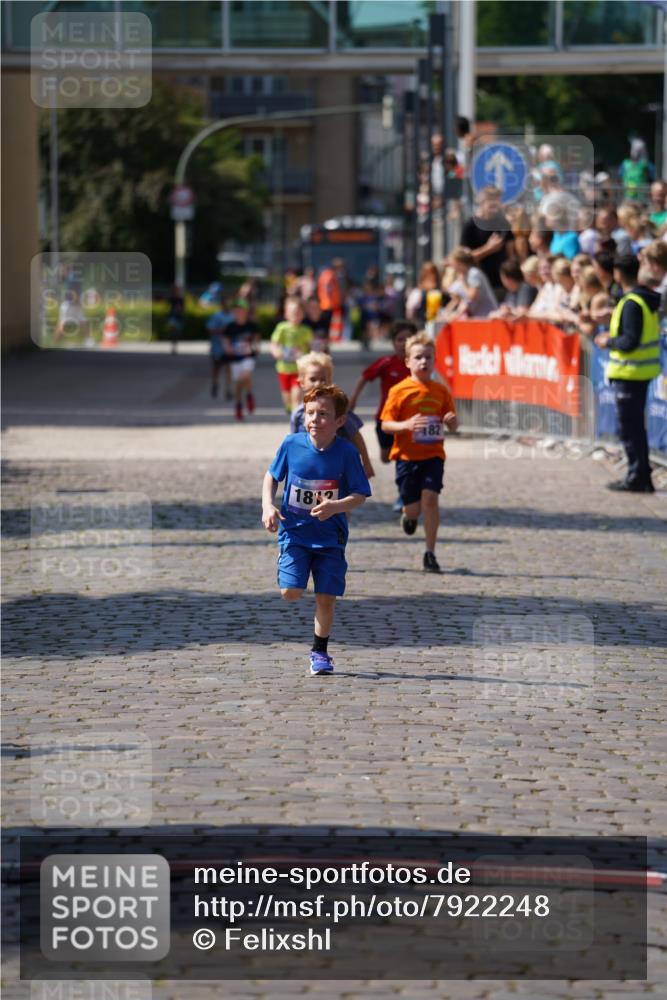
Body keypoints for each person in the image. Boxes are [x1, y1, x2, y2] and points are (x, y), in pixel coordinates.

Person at [262, 384, 372, 675]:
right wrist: (267, 506)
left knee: (326, 597)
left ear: (340, 421)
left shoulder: (347, 453)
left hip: (330, 537)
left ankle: (320, 653)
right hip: (295, 533)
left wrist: (336, 506)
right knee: (290, 592)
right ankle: (289, 564)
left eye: (323, 414)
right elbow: (271, 477)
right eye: (310, 412)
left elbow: (360, 495)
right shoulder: (291, 444)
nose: (314, 419)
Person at [380, 332, 458, 574]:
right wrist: (406, 425)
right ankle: (409, 516)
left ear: (434, 361)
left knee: (431, 499)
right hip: (406, 458)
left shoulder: (441, 390)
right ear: (407, 362)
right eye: (418, 357)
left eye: (428, 357)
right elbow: (386, 424)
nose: (423, 361)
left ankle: (430, 552)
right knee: (413, 509)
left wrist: (451, 421)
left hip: (433, 455)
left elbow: (453, 423)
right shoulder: (399, 391)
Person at [594, 254, 660, 492]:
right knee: (634, 428)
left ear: (618, 274)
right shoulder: (640, 300)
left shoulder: (632, 303)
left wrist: (607, 341)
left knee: (630, 428)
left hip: (631, 373)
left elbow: (630, 341)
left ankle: (637, 477)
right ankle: (640, 475)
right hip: (637, 373)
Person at [349, 319, 414, 509]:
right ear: (393, 343)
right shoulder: (386, 363)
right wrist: (353, 400)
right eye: (400, 339)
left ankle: (404, 495)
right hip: (385, 419)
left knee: (403, 457)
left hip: (409, 421)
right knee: (386, 457)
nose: (404, 343)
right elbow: (364, 377)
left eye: (409, 339)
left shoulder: (418, 364)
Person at [291, 352, 375, 480]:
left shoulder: (338, 409)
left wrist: (366, 463)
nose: (318, 383)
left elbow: (356, 436)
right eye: (313, 379)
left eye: (323, 379)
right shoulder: (298, 414)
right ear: (302, 382)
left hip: (340, 465)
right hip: (311, 466)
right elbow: (294, 441)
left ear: (329, 381)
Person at [460, 185, 515, 293]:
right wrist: (488, 248)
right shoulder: (471, 225)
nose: (495, 207)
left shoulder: (503, 223)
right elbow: (464, 260)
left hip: (501, 284)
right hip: (478, 285)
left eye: (497, 202)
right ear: (482, 202)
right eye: (491, 203)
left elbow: (511, 254)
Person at [270, 297, 313, 413]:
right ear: (286, 314)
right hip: (283, 368)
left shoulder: (306, 330)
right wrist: (276, 351)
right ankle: (289, 407)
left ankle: (295, 415)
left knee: (296, 395)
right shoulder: (282, 328)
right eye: (292, 312)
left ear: (303, 314)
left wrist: (310, 357)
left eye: (298, 312)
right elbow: (274, 343)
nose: (295, 314)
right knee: (287, 396)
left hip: (299, 369)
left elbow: (310, 347)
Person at [443, 247, 498, 320]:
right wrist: (451, 314)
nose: (452, 267)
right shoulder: (465, 275)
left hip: (487, 316)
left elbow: (472, 297)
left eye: (452, 263)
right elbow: (463, 301)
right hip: (478, 317)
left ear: (458, 263)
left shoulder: (473, 273)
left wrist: (463, 283)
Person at [206, 295, 234, 399]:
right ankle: (215, 383)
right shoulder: (216, 316)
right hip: (217, 347)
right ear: (222, 305)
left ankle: (228, 389)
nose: (228, 306)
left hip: (229, 347)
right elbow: (210, 329)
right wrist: (222, 330)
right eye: (226, 303)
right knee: (216, 368)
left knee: (229, 368)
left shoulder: (233, 316)